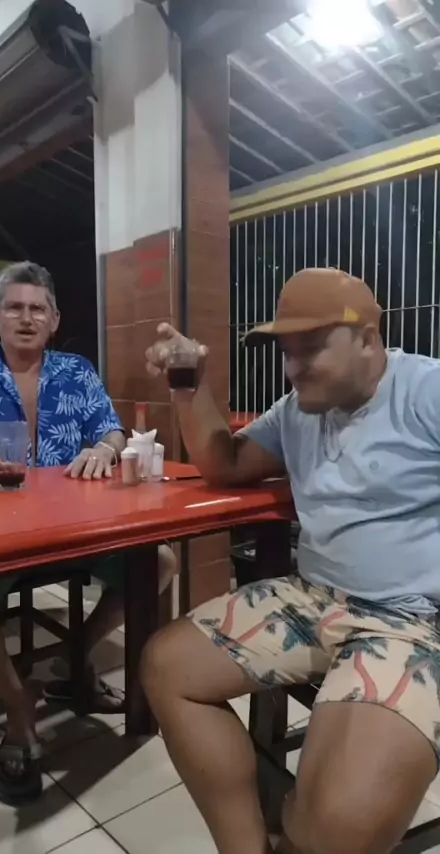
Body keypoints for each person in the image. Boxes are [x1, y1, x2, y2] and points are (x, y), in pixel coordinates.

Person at [142, 267, 440, 854]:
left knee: (338, 825)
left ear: (368, 339)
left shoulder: (425, 391)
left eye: (311, 348)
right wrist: (187, 385)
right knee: (167, 666)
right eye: (286, 351)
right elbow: (225, 463)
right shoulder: (298, 409)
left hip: (413, 620)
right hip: (314, 597)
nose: (293, 367)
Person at [0, 261, 176, 807]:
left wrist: (105, 447)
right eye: (14, 307)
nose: (26, 318)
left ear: (54, 320)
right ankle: (18, 706)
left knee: (161, 562)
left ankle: (76, 655)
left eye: (38, 309)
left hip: (73, 534)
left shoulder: (76, 370)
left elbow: (111, 428)